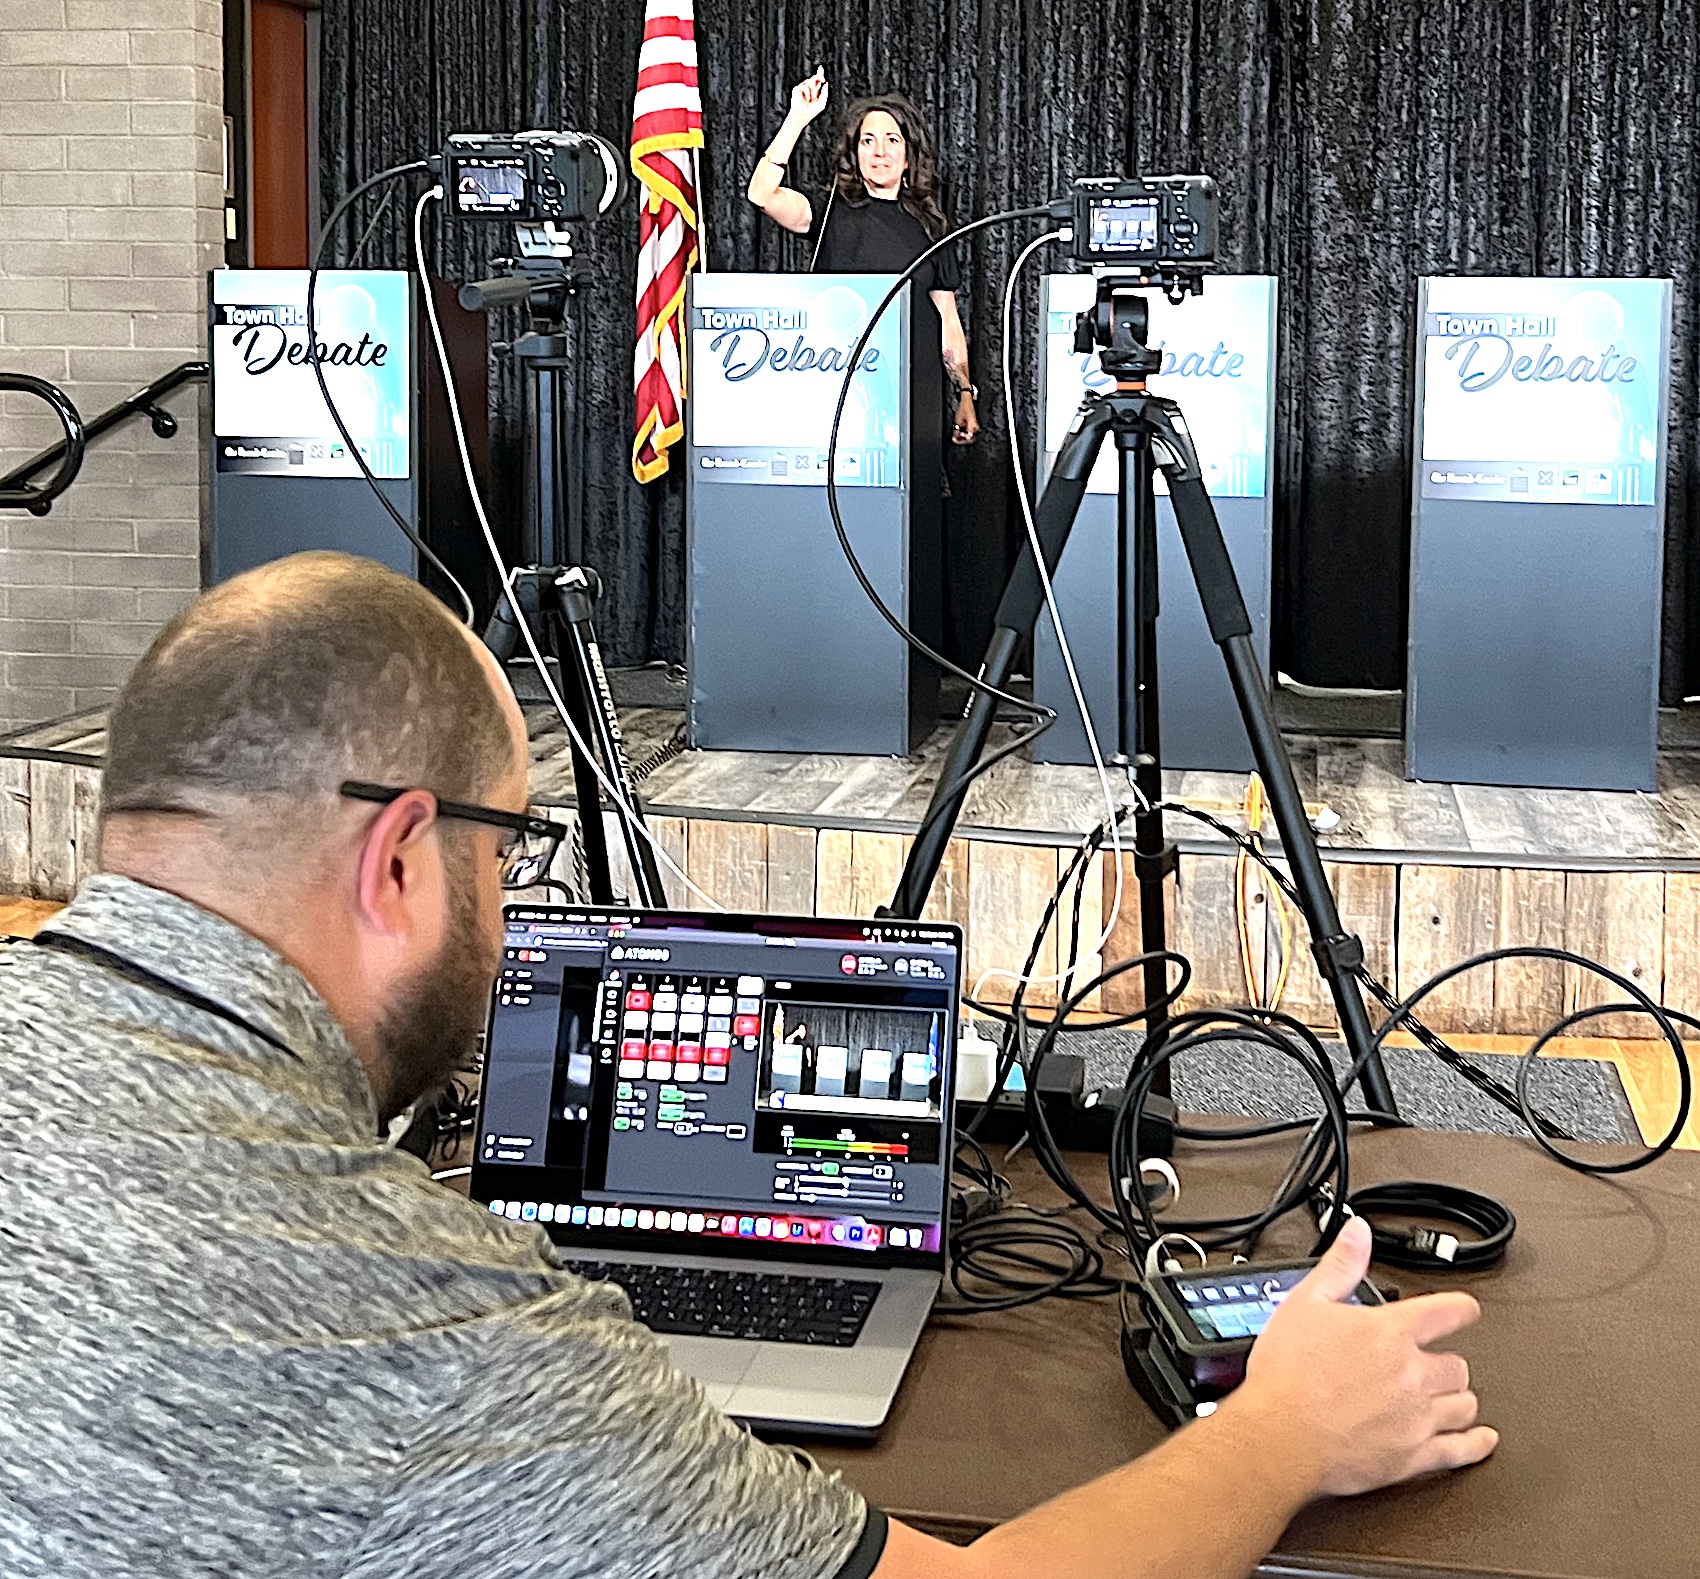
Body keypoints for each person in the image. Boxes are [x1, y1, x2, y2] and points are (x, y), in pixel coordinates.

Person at [0, 550, 1495, 1579]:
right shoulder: (416, 1310)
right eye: (515, 851)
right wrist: (1293, 1424)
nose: (518, 903)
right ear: (399, 857)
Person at [748, 69, 979, 447]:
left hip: (914, 401)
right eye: (867, 141)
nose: (879, 152)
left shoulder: (933, 227)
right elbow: (762, 194)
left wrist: (966, 393)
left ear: (908, 157)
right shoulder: (827, 211)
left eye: (892, 140)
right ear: (854, 154)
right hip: (837, 398)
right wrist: (798, 117)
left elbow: (948, 321)